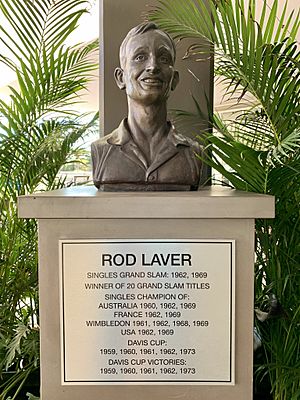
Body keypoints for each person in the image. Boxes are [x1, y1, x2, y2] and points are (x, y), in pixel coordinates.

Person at [92, 22, 203, 191]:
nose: (153, 67)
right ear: (120, 78)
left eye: (164, 58)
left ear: (174, 79)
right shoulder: (101, 152)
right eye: (140, 57)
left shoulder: (193, 153)